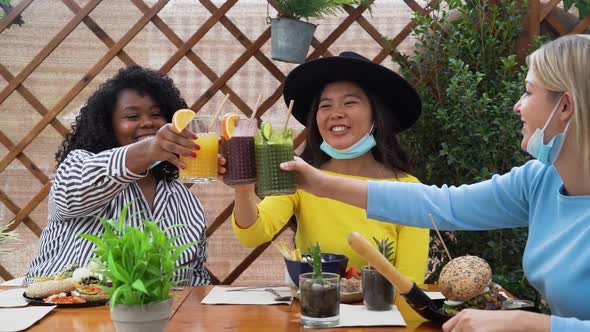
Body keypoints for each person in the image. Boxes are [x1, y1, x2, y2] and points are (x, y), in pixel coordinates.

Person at [280, 35, 590, 331]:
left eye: (528, 91)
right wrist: (319, 183)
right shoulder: (538, 182)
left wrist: (529, 324)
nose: (517, 106)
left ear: (564, 106)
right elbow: (441, 205)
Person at [221, 52, 430, 283]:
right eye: (325, 105)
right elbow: (252, 234)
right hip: (314, 312)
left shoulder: (409, 190)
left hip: (382, 316)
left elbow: (411, 284)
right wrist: (243, 187)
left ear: (376, 115)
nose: (336, 113)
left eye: (350, 102)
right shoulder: (301, 178)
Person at [26, 66, 210, 286]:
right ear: (108, 125)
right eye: (132, 116)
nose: (147, 123)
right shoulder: (80, 166)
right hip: (61, 312)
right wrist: (149, 150)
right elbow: (71, 195)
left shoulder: (185, 201)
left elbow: (196, 279)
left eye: (156, 114)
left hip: (155, 318)